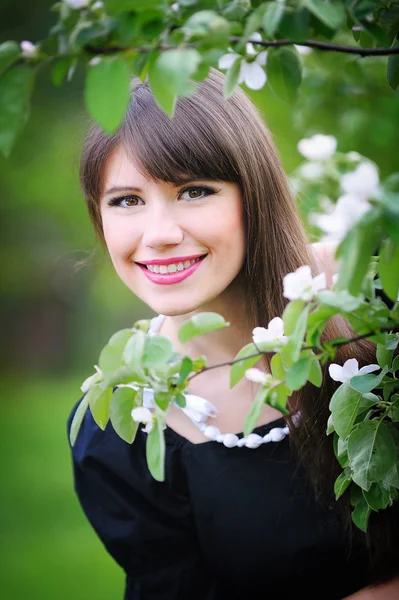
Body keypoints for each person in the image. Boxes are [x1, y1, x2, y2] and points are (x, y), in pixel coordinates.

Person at [67, 68, 399, 599]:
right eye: (126, 200)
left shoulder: (373, 291)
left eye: (194, 191)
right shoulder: (122, 431)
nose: (160, 235)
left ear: (255, 194)